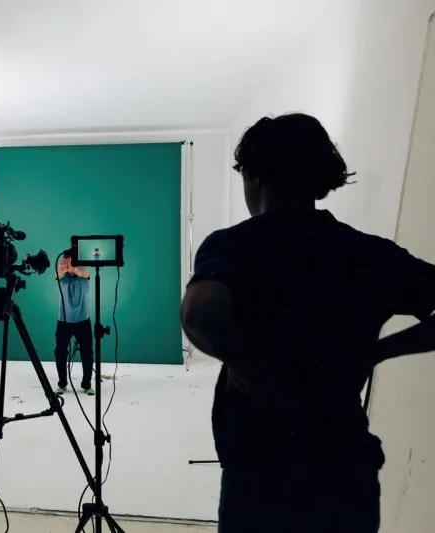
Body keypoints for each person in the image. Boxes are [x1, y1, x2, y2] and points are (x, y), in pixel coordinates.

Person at [180, 112, 435, 533]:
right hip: (343, 461)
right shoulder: (368, 253)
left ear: (255, 177)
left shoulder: (235, 245)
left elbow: (199, 310)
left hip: (261, 466)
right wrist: (378, 351)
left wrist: (249, 366)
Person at [54, 255, 94, 395]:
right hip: (63, 321)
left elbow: (86, 273)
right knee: (60, 353)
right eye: (64, 262)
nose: (66, 264)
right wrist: (63, 269)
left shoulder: (83, 275)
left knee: (87, 353)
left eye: (69, 261)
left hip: (83, 321)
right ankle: (62, 384)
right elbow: (57, 275)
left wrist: (73, 268)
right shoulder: (62, 278)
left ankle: (87, 385)